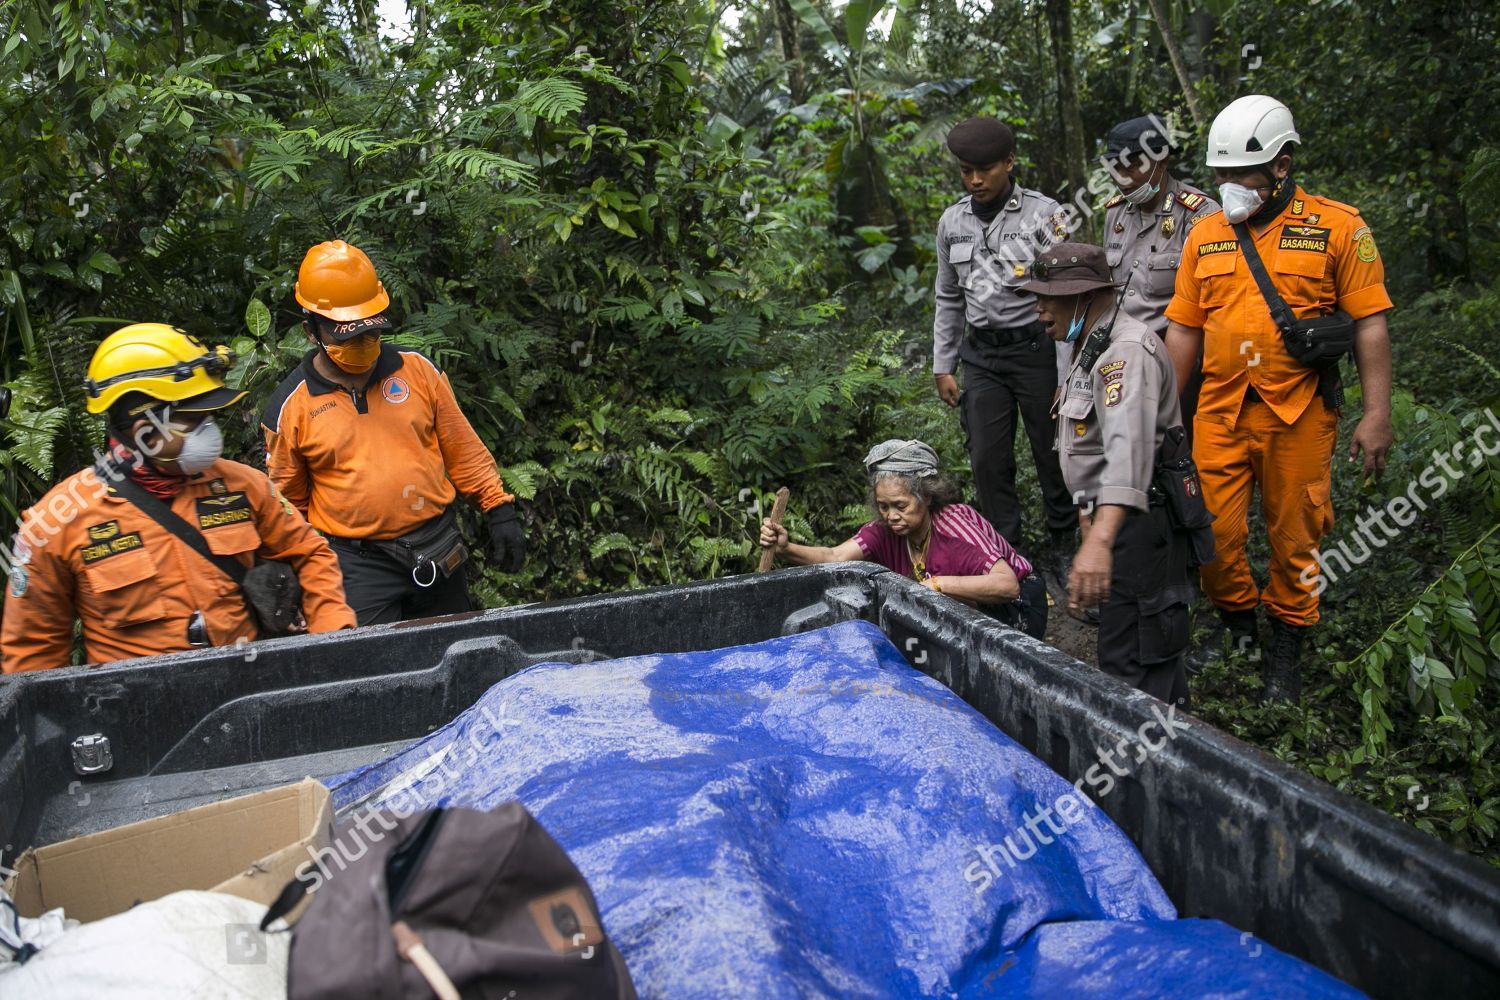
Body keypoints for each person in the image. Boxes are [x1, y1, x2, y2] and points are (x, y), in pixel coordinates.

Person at [1164, 96, 1394, 701]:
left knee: (1297, 538)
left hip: (1300, 411)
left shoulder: (1340, 227)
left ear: (1283, 164)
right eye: (1222, 175)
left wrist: (1377, 414)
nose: (1230, 186)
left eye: (1244, 174)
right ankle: (1239, 623)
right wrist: (1158, 410)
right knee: (1210, 534)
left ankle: (1288, 640)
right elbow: (1185, 328)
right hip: (1219, 410)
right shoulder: (1206, 236)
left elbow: (1370, 322)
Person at [1, 324, 355, 673]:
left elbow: (312, 555)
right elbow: (33, 654)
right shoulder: (56, 524)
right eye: (195, 420)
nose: (210, 430)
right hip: (134, 709)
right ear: (146, 433)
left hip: (244, 691)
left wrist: (330, 644)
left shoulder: (245, 486)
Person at [262, 240, 527, 626]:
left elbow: (463, 449)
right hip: (356, 565)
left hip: (436, 546)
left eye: (369, 333)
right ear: (310, 330)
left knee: (455, 655)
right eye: (346, 336)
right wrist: (294, 566)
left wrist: (498, 509)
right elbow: (289, 501)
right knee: (370, 673)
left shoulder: (418, 371)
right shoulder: (291, 406)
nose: (361, 344)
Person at [1020, 244, 1194, 706]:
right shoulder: (1089, 344)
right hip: (1116, 518)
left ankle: (1146, 768)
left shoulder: (1125, 354)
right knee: (1134, 649)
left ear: (1084, 296)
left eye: (1048, 298)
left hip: (1143, 522)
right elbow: (1088, 441)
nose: (1038, 309)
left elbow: (1128, 452)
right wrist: (1087, 517)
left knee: (1135, 658)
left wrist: (1100, 541)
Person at [931, 117, 1077, 581]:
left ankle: (1065, 541)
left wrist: (1068, 373)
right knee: (988, 459)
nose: (975, 180)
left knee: (1053, 450)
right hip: (983, 356)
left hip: (1036, 350)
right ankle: (1005, 551)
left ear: (1009, 163)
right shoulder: (952, 222)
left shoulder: (1045, 215)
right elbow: (948, 296)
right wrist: (943, 364)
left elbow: (1069, 295)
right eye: (966, 171)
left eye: (985, 170)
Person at [756, 439, 1046, 638]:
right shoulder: (885, 530)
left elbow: (1006, 585)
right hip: (960, 608)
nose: (891, 515)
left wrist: (935, 585)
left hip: (1017, 606)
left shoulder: (954, 525)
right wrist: (786, 548)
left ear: (927, 496)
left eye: (900, 506)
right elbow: (834, 557)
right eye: (884, 506)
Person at [1100, 115, 1219, 430]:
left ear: (1161, 161)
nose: (1123, 178)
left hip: (1178, 358)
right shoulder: (1114, 214)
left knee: (1177, 452)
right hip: (1122, 355)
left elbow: (1211, 303)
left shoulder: (1199, 215)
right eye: (1116, 168)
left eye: (1133, 166)